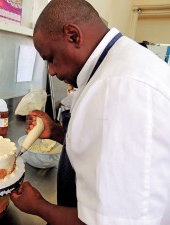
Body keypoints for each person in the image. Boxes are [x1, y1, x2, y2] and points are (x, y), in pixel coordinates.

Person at [10, 0, 170, 225]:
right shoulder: (113, 67)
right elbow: (100, 144)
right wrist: (57, 132)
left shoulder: (121, 89)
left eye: (50, 58)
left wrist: (38, 206)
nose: (52, 71)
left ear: (73, 36)